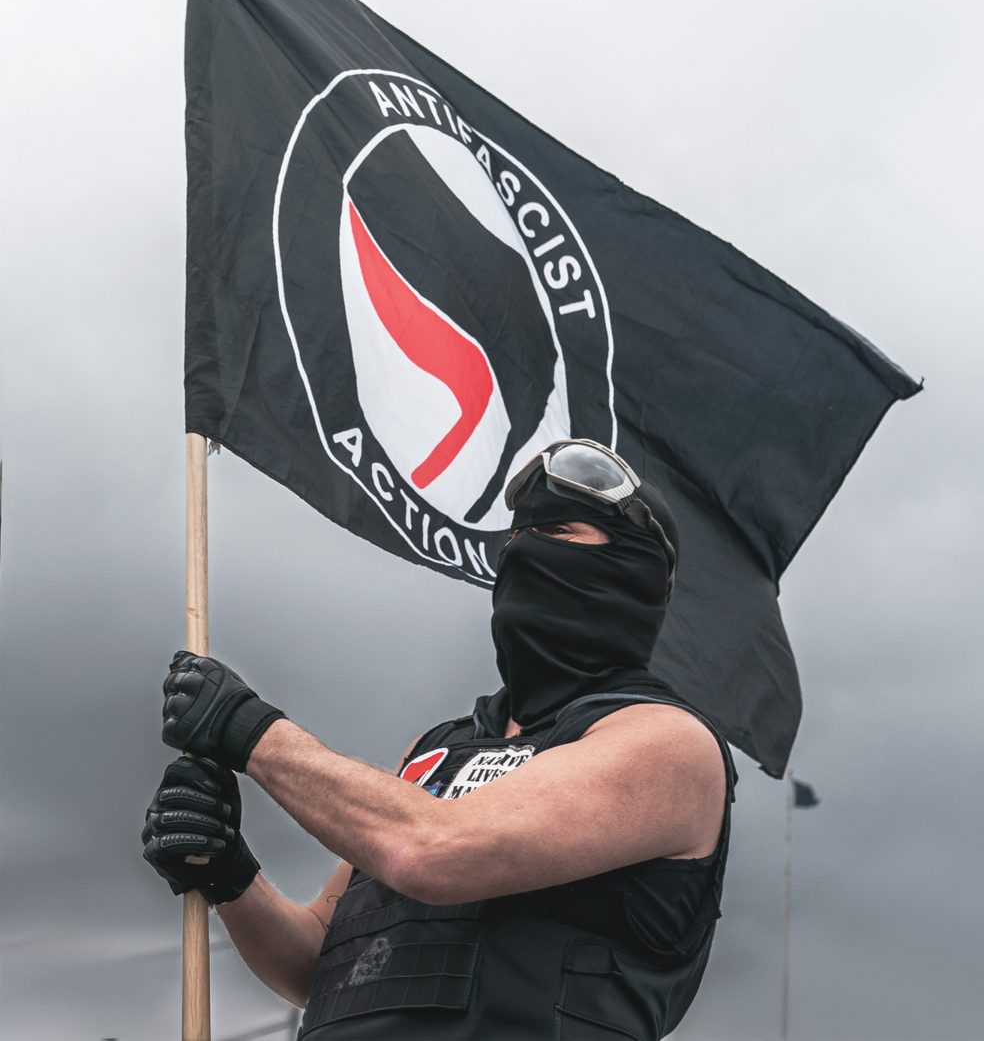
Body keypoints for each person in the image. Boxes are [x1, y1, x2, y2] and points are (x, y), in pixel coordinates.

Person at [142, 440, 735, 1039]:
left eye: (555, 531)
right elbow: (316, 960)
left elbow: (430, 850)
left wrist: (250, 732)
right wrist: (228, 874)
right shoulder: (438, 752)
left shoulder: (668, 744)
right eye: (513, 541)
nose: (521, 551)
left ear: (633, 574)